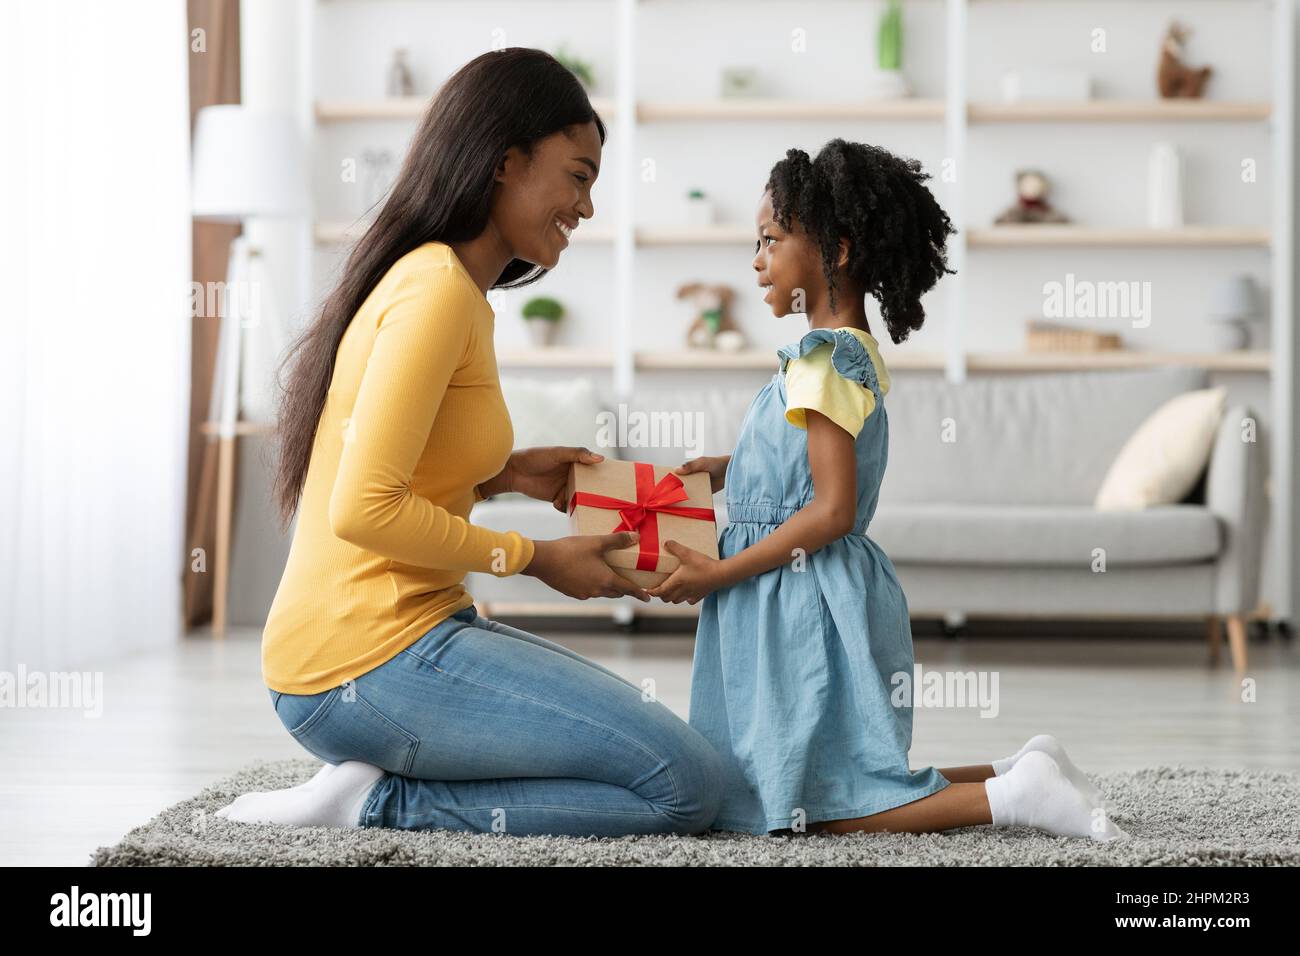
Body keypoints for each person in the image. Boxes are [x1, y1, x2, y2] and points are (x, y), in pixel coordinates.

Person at [217, 48, 723, 836]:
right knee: (683, 787)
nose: (586, 207)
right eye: (578, 176)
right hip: (356, 662)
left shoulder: (450, 288)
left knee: (686, 772)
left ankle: (372, 784)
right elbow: (362, 509)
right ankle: (374, 802)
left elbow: (402, 468)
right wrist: (537, 558)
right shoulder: (435, 293)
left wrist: (508, 475)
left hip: (417, 631)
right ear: (506, 162)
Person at [650, 140, 1128, 841]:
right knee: (841, 775)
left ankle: (1014, 798)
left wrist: (722, 570)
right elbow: (809, 459)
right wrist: (729, 467)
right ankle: (1021, 767)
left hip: (799, 596)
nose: (757, 259)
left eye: (771, 239)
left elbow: (833, 507)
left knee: (830, 805)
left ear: (836, 250)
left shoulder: (821, 361)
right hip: (802, 589)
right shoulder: (838, 354)